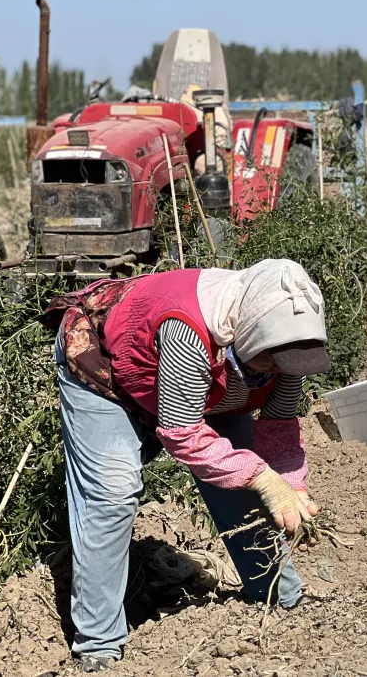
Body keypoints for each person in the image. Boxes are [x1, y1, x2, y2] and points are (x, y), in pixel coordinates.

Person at [39, 259, 330, 672]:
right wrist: (264, 478)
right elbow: (183, 434)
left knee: (244, 484)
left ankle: (281, 600)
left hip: (209, 391)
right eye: (272, 359)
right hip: (107, 373)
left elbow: (279, 429)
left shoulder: (288, 349)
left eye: (291, 361)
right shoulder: (187, 329)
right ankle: (99, 645)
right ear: (249, 334)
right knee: (112, 492)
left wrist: (291, 487)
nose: (281, 369)